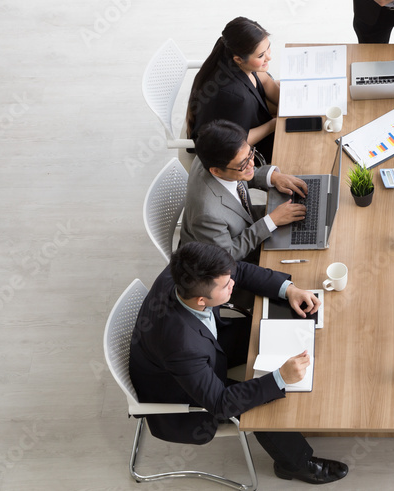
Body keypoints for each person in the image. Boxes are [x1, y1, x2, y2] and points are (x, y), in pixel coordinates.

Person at [129, 242, 349, 484]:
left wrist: (289, 290)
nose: (232, 282)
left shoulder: (185, 270)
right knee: (264, 400)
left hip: (209, 344)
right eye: (226, 285)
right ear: (202, 300)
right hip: (186, 395)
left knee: (272, 326)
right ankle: (295, 464)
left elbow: (239, 271)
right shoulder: (180, 346)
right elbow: (221, 403)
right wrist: (280, 377)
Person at [181, 120, 307, 265]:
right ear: (216, 171)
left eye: (250, 153)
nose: (252, 164)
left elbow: (237, 176)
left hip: (243, 221)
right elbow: (228, 254)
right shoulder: (207, 214)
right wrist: (272, 221)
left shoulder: (210, 153)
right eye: (243, 164)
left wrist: (273, 177)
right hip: (223, 263)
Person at [187, 17, 279, 163]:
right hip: (232, 148)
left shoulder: (229, 47)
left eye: (268, 47)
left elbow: (266, 80)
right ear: (238, 59)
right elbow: (239, 142)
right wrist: (274, 125)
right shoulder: (235, 97)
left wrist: (286, 102)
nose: (269, 57)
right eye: (261, 55)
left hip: (240, 119)